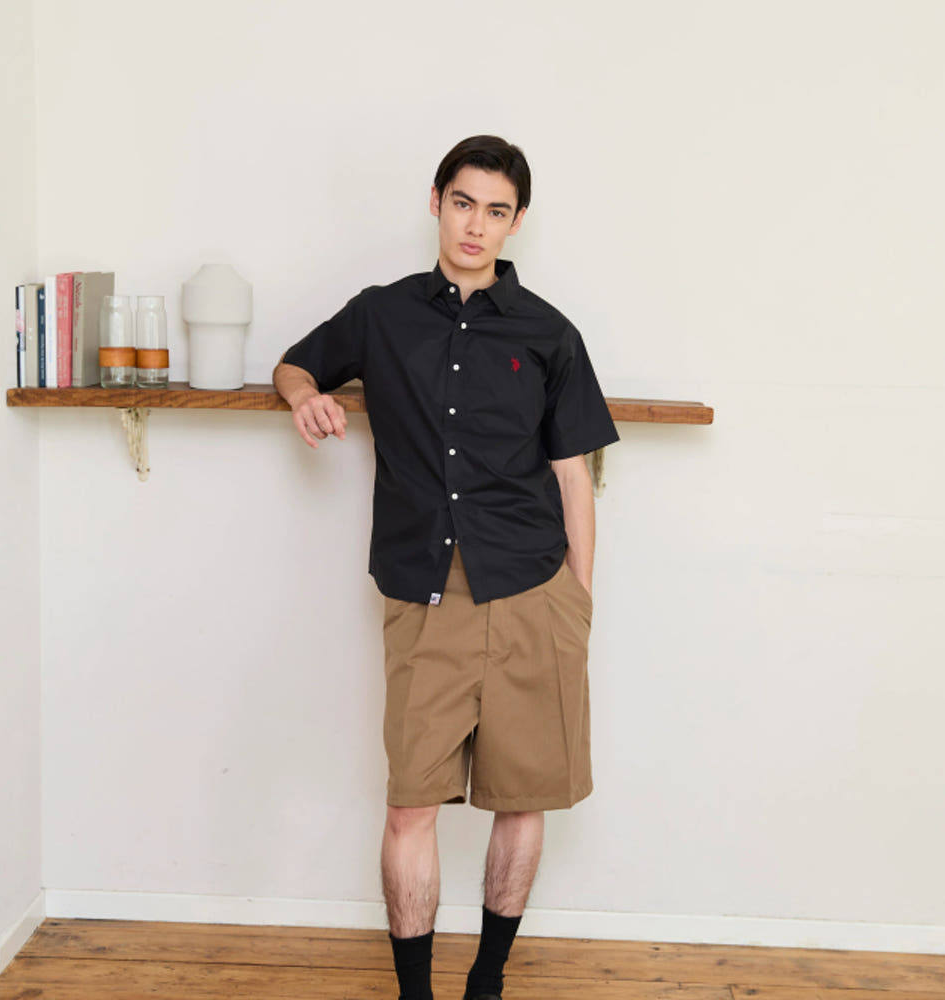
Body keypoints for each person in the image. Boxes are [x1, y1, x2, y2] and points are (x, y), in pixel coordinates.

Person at [273, 135, 619, 1000]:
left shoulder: (550, 333)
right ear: (436, 202)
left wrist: (578, 603)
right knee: (409, 806)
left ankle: (488, 983)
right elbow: (295, 363)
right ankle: (416, 994)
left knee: (522, 799)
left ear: (517, 222)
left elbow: (574, 475)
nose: (476, 225)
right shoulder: (382, 314)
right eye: (463, 203)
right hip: (424, 591)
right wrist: (305, 395)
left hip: (534, 589)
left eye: (496, 210)